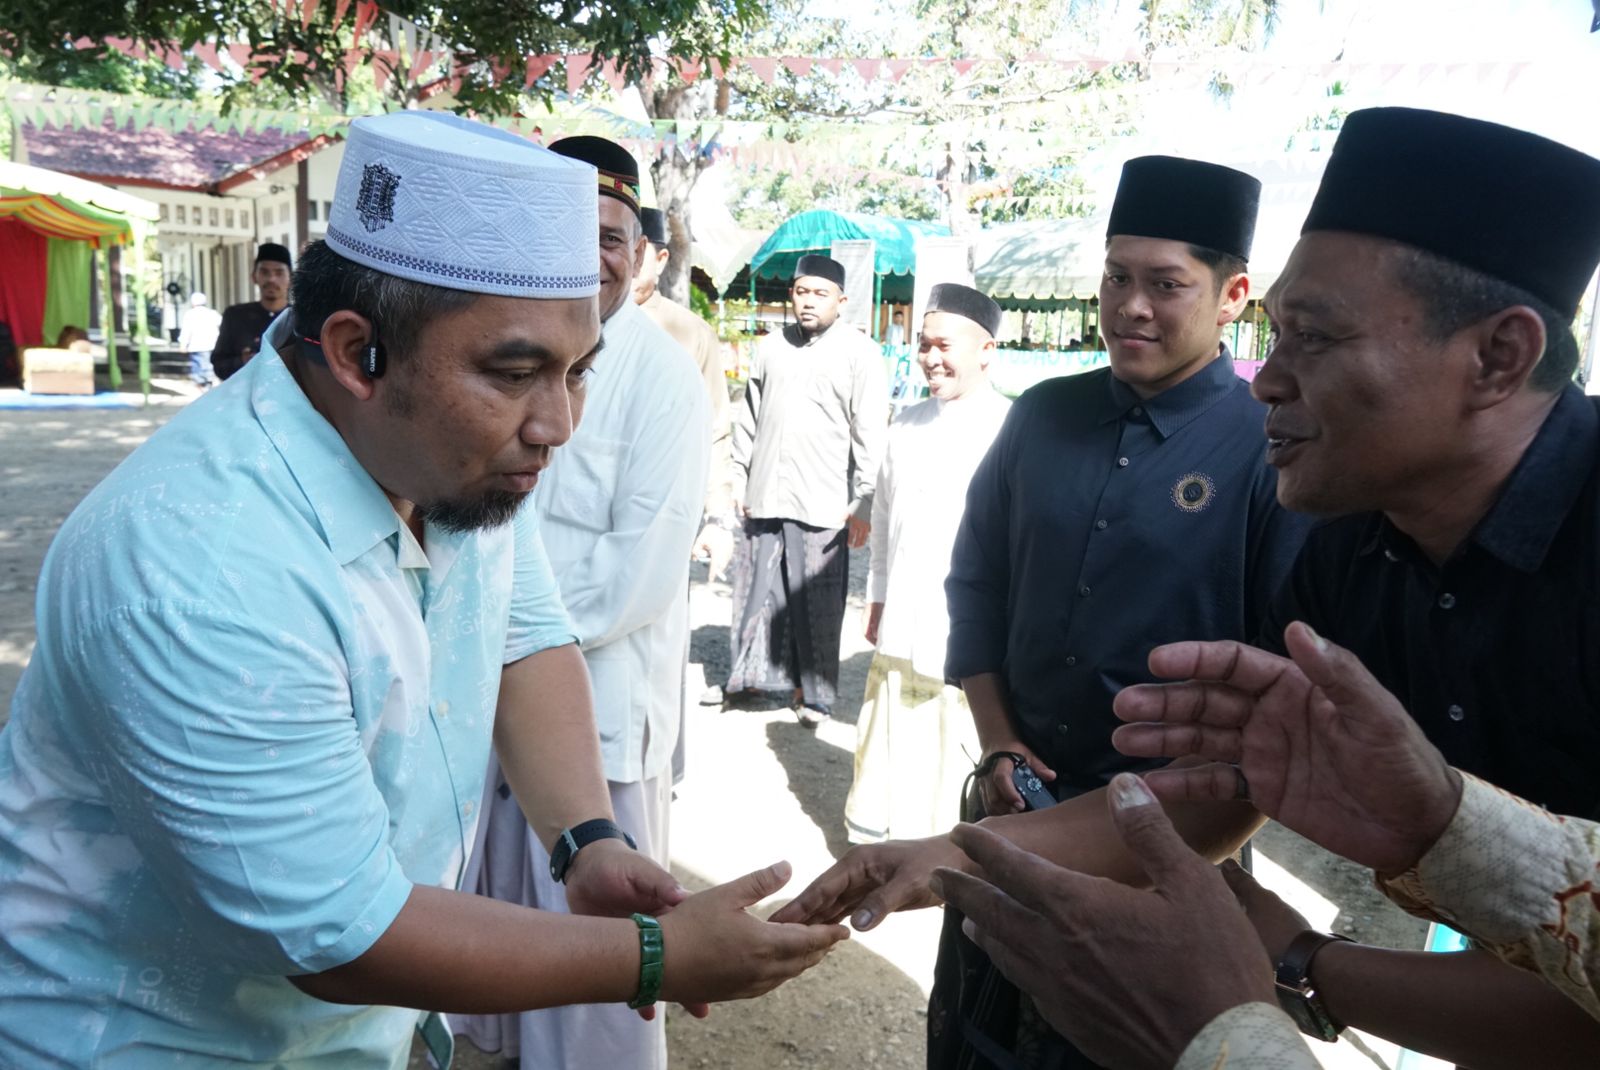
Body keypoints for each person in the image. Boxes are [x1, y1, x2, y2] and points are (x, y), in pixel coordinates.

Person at [0, 111, 846, 1069]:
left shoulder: (442, 457)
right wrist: (654, 956)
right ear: (357, 352)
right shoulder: (198, 567)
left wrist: (588, 842)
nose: (557, 425)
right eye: (517, 373)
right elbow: (342, 935)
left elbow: (525, 635)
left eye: (578, 372)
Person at [940, 107, 1600, 1070]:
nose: (1266, 381)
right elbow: (1234, 780)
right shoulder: (1354, 554)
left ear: (1499, 357)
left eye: (1316, 338)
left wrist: (1260, 995)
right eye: (1279, 333)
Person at [774, 157, 1314, 1069]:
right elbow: (976, 583)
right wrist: (999, 743)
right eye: (1116, 277)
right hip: (1009, 799)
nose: (1131, 306)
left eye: (1166, 284)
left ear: (1233, 296)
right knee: (980, 1038)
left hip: (1174, 841)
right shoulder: (1042, 418)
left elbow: (1277, 695)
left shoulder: (1266, 449)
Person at [457, 135, 710, 1070]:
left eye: (611, 237)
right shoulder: (491, 350)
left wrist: (490, 630)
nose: (592, 256)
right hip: (482, 707)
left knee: (596, 978)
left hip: (595, 727)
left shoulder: (663, 378)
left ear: (640, 255)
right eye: (568, 232)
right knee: (492, 948)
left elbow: (640, 573)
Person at [843, 283, 1011, 844]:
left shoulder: (1011, 429)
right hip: (903, 615)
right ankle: (882, 846)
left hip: (970, 632)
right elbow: (884, 517)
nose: (930, 358)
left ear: (986, 350)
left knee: (954, 745)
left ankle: (943, 855)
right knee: (891, 733)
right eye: (923, 345)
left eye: (944, 346)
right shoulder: (906, 424)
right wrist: (878, 595)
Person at [725, 253, 889, 725]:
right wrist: (739, 475)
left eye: (820, 293)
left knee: (815, 602)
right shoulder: (770, 347)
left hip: (824, 503)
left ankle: (812, 695)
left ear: (841, 300)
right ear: (791, 295)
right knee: (757, 591)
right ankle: (750, 679)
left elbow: (870, 433)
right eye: (801, 292)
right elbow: (748, 419)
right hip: (764, 495)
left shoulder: (861, 353)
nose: (809, 302)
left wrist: (864, 502)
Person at [633, 206, 737, 578]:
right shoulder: (576, 321)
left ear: (661, 259)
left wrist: (718, 517)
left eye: (637, 252)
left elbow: (715, 429)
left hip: (662, 514)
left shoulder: (691, 334)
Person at [212, 242, 292, 380]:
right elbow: (219, 366)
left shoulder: (300, 319)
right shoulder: (235, 316)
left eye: (279, 273)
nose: (271, 279)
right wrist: (243, 361)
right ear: (254, 276)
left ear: (291, 278)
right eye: (264, 272)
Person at [178, 291, 222, 388]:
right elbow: (222, 325)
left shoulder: (190, 314)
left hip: (196, 346)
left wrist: (183, 345)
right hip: (212, 344)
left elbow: (186, 331)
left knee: (200, 368)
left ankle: (205, 385)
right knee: (209, 365)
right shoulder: (212, 313)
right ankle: (210, 382)